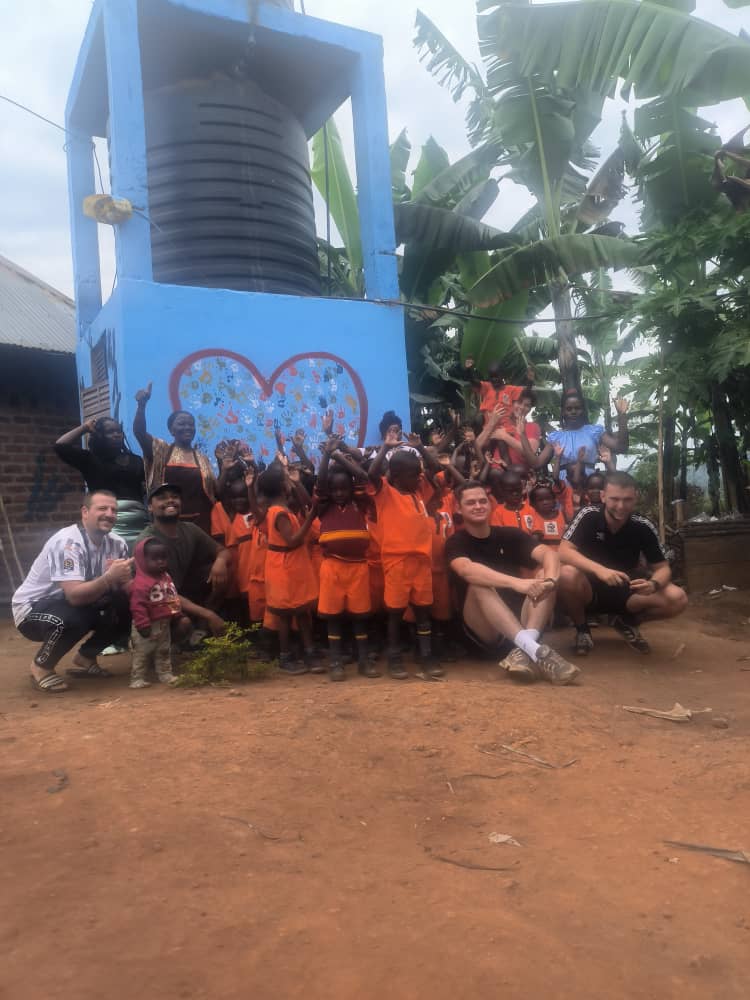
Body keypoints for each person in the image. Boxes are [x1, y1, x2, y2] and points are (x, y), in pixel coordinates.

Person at [444, 481, 580, 685]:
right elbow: (467, 570)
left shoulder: (509, 535)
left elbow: (548, 554)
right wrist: (518, 584)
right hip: (485, 632)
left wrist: (551, 580)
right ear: (458, 508)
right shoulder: (456, 542)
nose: (478, 506)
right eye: (471, 503)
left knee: (545, 575)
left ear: (490, 505)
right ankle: (537, 651)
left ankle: (524, 649)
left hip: (521, 626)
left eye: (482, 501)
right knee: (479, 583)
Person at [12, 491, 134, 693]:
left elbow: (124, 588)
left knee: (128, 606)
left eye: (114, 510)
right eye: (102, 508)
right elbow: (75, 596)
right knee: (75, 616)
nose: (110, 514)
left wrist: (140, 588)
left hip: (78, 604)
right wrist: (110, 577)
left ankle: (86, 656)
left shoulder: (117, 543)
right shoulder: (67, 543)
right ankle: (41, 666)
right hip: (33, 609)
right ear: (85, 512)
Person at [558, 471, 688, 656]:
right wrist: (600, 570)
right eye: (615, 499)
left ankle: (628, 621)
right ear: (603, 496)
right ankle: (582, 630)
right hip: (588, 588)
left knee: (678, 598)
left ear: (636, 498)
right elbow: (563, 551)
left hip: (627, 590)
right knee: (567, 574)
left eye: (627, 500)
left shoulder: (643, 525)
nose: (621, 506)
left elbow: (662, 568)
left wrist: (653, 584)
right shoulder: (588, 515)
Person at [368, 427, 442, 680]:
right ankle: (395, 656)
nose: (420, 477)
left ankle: (427, 655)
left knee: (423, 611)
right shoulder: (386, 493)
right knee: (395, 613)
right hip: (397, 561)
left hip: (421, 562)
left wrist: (420, 448)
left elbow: (437, 469)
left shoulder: (418, 491)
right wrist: (386, 448)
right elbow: (372, 473)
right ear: (396, 476)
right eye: (414, 474)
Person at [316, 438, 378, 681]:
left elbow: (363, 476)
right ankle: (335, 662)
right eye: (335, 490)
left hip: (358, 568)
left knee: (359, 617)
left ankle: (363, 661)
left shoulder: (359, 503)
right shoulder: (324, 506)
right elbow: (320, 484)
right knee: (333, 617)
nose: (339, 493)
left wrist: (338, 456)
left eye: (344, 488)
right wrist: (325, 457)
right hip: (332, 567)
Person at [137, 483, 229, 636]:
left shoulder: (190, 529)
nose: (170, 501)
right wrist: (209, 614)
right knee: (183, 626)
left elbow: (223, 551)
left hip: (183, 591)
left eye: (174, 497)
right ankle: (176, 637)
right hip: (159, 599)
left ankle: (201, 625)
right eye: (162, 498)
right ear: (150, 507)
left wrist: (220, 562)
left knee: (223, 571)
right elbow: (160, 591)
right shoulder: (146, 541)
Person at [257, 465, 319, 674]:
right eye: (287, 479)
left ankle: (309, 652)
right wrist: (310, 518)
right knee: (285, 614)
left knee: (301, 610)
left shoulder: (279, 510)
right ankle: (285, 657)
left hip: (290, 565)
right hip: (285, 566)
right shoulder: (279, 513)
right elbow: (292, 540)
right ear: (283, 487)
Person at [133, 383, 217, 534]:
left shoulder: (202, 458)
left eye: (191, 424)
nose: (187, 427)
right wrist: (141, 405)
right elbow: (139, 433)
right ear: (171, 430)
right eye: (181, 424)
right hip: (168, 522)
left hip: (202, 523)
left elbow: (213, 492)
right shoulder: (161, 450)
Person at [54, 417, 147, 547]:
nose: (116, 434)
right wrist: (85, 428)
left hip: (140, 525)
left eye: (119, 431)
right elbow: (60, 446)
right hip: (107, 524)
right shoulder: (90, 460)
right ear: (100, 436)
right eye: (110, 432)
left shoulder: (136, 461)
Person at [520, 389, 630, 481]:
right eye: (569, 409)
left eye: (577, 408)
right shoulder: (556, 437)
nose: (573, 411)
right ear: (563, 412)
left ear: (583, 410)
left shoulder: (594, 431)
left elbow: (621, 447)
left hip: (589, 485)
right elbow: (536, 463)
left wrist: (622, 416)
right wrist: (522, 434)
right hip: (564, 487)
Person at [129, 538, 192, 688]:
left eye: (163, 558)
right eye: (155, 559)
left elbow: (172, 598)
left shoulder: (166, 578)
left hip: (164, 623)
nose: (160, 562)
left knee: (163, 650)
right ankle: (137, 678)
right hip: (146, 624)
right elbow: (137, 606)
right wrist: (143, 624)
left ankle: (165, 674)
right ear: (143, 560)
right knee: (142, 653)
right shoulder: (141, 583)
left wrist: (177, 614)